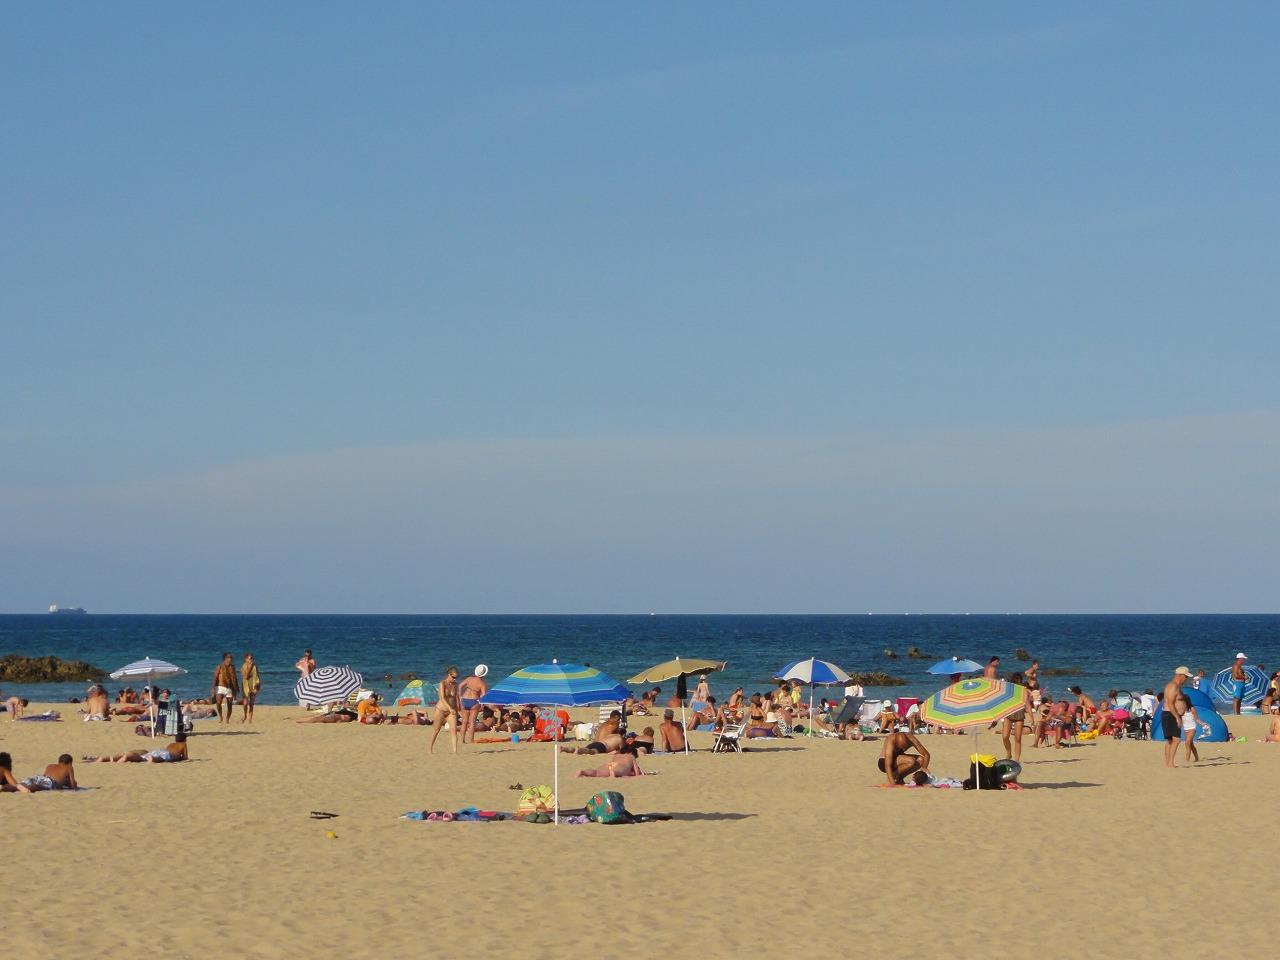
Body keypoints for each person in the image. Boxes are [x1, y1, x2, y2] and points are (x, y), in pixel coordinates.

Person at [1162, 667, 1193, 768]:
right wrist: (1177, 717)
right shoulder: (1173, 686)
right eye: (1185, 677)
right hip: (1170, 714)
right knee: (1176, 740)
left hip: (1171, 715)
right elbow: (1170, 704)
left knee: (1170, 740)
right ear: (1180, 676)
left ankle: (1168, 763)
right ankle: (1170, 763)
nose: (1186, 680)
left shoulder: (1177, 687)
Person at [89, 734, 189, 764]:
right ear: (184, 740)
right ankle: (153, 760)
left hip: (160, 749)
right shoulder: (183, 744)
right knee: (160, 758)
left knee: (143, 757)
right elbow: (185, 758)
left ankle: (114, 758)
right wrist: (179, 758)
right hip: (167, 754)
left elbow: (167, 750)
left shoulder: (171, 744)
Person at [429, 666, 461, 754]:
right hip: (441, 710)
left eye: (456, 677)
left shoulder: (455, 685)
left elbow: (455, 697)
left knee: (454, 730)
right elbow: (442, 698)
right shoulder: (442, 683)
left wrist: (458, 708)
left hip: (451, 711)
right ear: (448, 675)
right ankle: (430, 749)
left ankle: (455, 752)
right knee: (436, 730)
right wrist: (450, 708)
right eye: (453, 677)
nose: (455, 679)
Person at [1001, 672, 1032, 761]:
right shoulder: (1008, 689)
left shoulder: (1023, 690)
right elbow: (1003, 702)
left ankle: (1017, 760)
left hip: (1019, 715)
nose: (1017, 681)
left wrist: (1031, 717)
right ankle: (1009, 753)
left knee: (1018, 738)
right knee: (1005, 737)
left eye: (1018, 680)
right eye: (1016, 680)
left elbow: (1027, 704)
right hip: (1009, 714)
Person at [457, 665, 488, 744]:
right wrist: (482, 704)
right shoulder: (482, 683)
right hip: (474, 701)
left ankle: (462, 740)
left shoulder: (469, 679)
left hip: (464, 699)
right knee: (472, 722)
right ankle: (471, 741)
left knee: (464, 722)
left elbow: (460, 686)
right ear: (484, 674)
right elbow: (483, 696)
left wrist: (460, 696)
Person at [1178, 695, 1208, 763]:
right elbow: (1180, 718)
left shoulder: (1192, 709)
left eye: (1183, 702)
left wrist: (1203, 724)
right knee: (1191, 745)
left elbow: (1197, 719)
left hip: (1192, 728)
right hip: (1186, 729)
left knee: (1187, 743)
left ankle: (1187, 761)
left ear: (1186, 702)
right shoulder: (1181, 710)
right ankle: (1197, 758)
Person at [211, 652, 239, 725]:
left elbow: (235, 678)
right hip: (220, 687)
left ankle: (227, 718)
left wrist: (236, 688)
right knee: (218, 702)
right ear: (225, 658)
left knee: (229, 704)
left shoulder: (232, 667)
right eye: (229, 657)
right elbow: (215, 677)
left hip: (229, 688)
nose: (230, 659)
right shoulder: (219, 666)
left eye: (231, 658)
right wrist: (213, 688)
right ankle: (220, 716)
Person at [576, 752, 649, 778]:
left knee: (596, 772)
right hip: (617, 767)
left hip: (610, 764)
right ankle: (614, 773)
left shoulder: (617, 755)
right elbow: (637, 773)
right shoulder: (631, 757)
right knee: (615, 771)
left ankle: (583, 772)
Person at [241, 652, 261, 724]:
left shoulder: (255, 667)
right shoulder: (243, 667)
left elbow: (258, 677)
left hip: (253, 686)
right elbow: (246, 676)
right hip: (245, 687)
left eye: (252, 658)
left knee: (251, 704)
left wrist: (258, 687)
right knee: (245, 703)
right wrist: (250, 666)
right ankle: (245, 715)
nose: (251, 660)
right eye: (250, 658)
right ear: (245, 659)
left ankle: (250, 720)